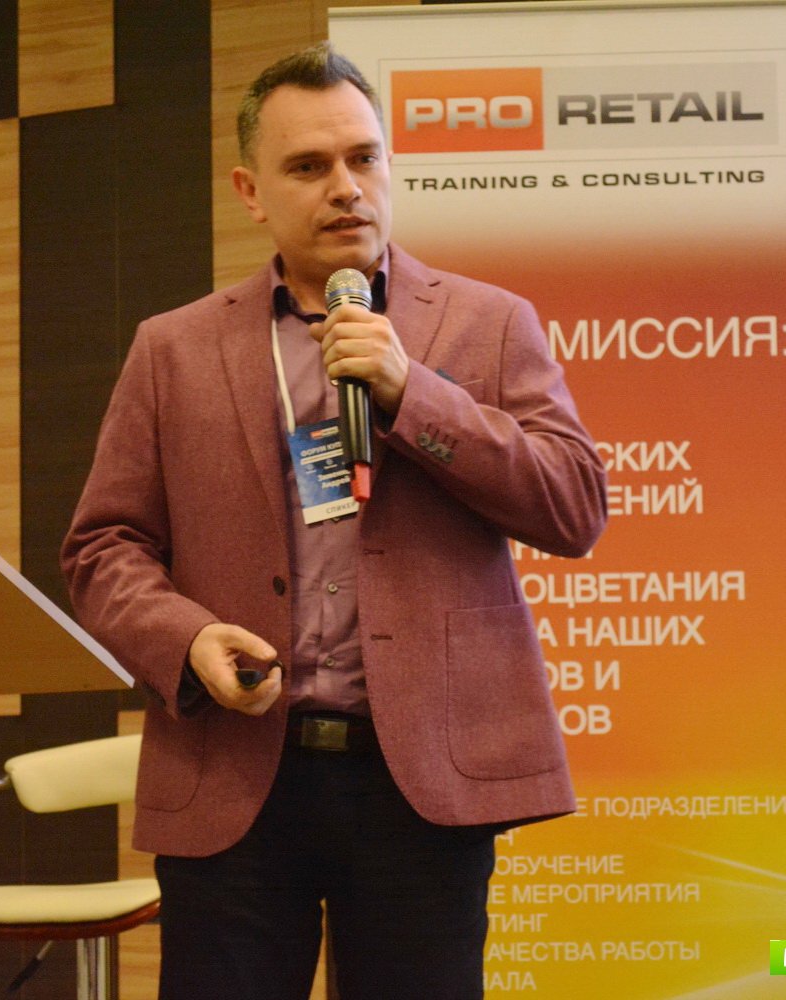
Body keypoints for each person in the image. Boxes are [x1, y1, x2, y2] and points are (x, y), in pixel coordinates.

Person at [61, 42, 606, 1000]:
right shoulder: (172, 348)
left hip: (419, 781)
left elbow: (572, 506)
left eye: (363, 158)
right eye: (309, 166)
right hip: (235, 769)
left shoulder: (487, 324)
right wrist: (185, 640)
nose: (346, 188)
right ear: (251, 191)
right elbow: (103, 548)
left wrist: (411, 393)